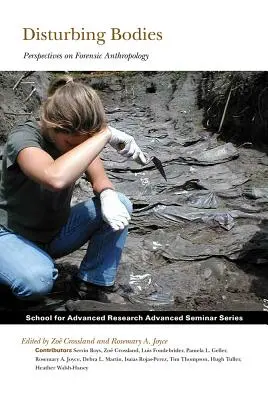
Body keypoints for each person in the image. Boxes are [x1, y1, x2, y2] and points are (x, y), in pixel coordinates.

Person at [0, 75, 147, 305]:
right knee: (36, 281)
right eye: (72, 144)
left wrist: (107, 194)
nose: (79, 149)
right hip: (10, 234)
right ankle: (16, 264)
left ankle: (91, 284)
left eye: (85, 143)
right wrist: (105, 135)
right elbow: (54, 177)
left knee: (120, 203)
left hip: (52, 234)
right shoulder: (24, 138)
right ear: (52, 125)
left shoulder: (75, 140)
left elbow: (100, 180)